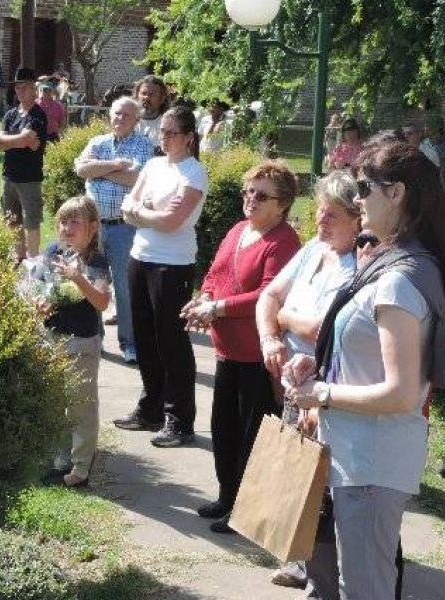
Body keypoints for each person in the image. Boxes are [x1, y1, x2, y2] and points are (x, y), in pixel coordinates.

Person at [284, 141, 445, 600]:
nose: (357, 198)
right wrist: (320, 363)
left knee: (364, 591)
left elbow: (402, 393)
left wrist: (322, 393)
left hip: (370, 463)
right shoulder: (392, 263)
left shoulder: (400, 279)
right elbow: (367, 350)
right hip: (356, 456)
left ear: (397, 193)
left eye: (365, 187)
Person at [255, 170, 360, 593]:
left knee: (325, 488)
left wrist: (286, 318)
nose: (320, 222)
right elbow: (269, 297)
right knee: (296, 475)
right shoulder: (314, 250)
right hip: (295, 377)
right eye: (318, 211)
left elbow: (324, 330)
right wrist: (268, 334)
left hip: (329, 383)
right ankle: (301, 563)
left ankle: (325, 579)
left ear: (357, 219)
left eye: (332, 215)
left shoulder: (360, 264)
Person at [182, 160, 301, 534]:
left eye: (262, 195)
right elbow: (215, 274)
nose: (251, 199)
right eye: (249, 190)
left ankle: (248, 513)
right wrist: (202, 299)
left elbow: (266, 295)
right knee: (224, 428)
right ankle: (227, 496)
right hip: (226, 351)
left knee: (253, 436)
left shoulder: (284, 241)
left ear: (282, 205)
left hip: (257, 356)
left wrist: (215, 308)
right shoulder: (237, 230)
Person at [111, 106, 207, 448]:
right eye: (161, 132)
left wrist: (142, 213)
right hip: (141, 257)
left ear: (188, 138)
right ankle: (150, 407)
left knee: (172, 342)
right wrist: (147, 213)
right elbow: (128, 207)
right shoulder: (152, 166)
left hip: (173, 264)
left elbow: (172, 221)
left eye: (170, 133)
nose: (162, 138)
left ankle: (179, 419)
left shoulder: (193, 174)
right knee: (145, 337)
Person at [74, 96, 154, 364]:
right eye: (117, 114)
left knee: (124, 287)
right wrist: (115, 165)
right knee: (90, 283)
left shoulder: (143, 145)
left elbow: (136, 179)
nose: (120, 119)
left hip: (123, 228)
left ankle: (129, 343)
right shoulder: (97, 142)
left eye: (126, 116)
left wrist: (99, 170)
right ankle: (93, 337)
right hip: (92, 229)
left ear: (136, 120)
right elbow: (80, 168)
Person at [40, 196, 110, 488]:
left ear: (92, 227)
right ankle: (59, 458)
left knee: (81, 405)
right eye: (63, 221)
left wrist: (79, 279)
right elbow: (42, 288)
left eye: (74, 222)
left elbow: (102, 302)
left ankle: (81, 466)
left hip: (82, 343)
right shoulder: (53, 251)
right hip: (51, 337)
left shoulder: (97, 261)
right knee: (54, 401)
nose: (67, 228)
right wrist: (39, 301)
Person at [0, 67, 48, 260]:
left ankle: (33, 261)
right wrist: (18, 140)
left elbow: (25, 140)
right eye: (17, 87)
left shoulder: (38, 115)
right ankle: (19, 257)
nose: (19, 91)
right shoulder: (11, 114)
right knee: (11, 220)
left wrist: (8, 140)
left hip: (29, 178)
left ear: (34, 89)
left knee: (31, 221)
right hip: (9, 175)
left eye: (24, 87)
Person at [133, 75, 169, 148]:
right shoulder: (126, 121)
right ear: (137, 96)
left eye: (152, 94)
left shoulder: (169, 125)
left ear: (162, 98)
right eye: (143, 93)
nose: (146, 98)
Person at [37, 77, 67, 143]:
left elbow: (62, 121)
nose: (47, 92)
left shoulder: (58, 106)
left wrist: (60, 132)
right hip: (39, 136)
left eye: (49, 90)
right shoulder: (36, 105)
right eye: (45, 89)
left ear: (52, 91)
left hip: (53, 136)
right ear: (41, 90)